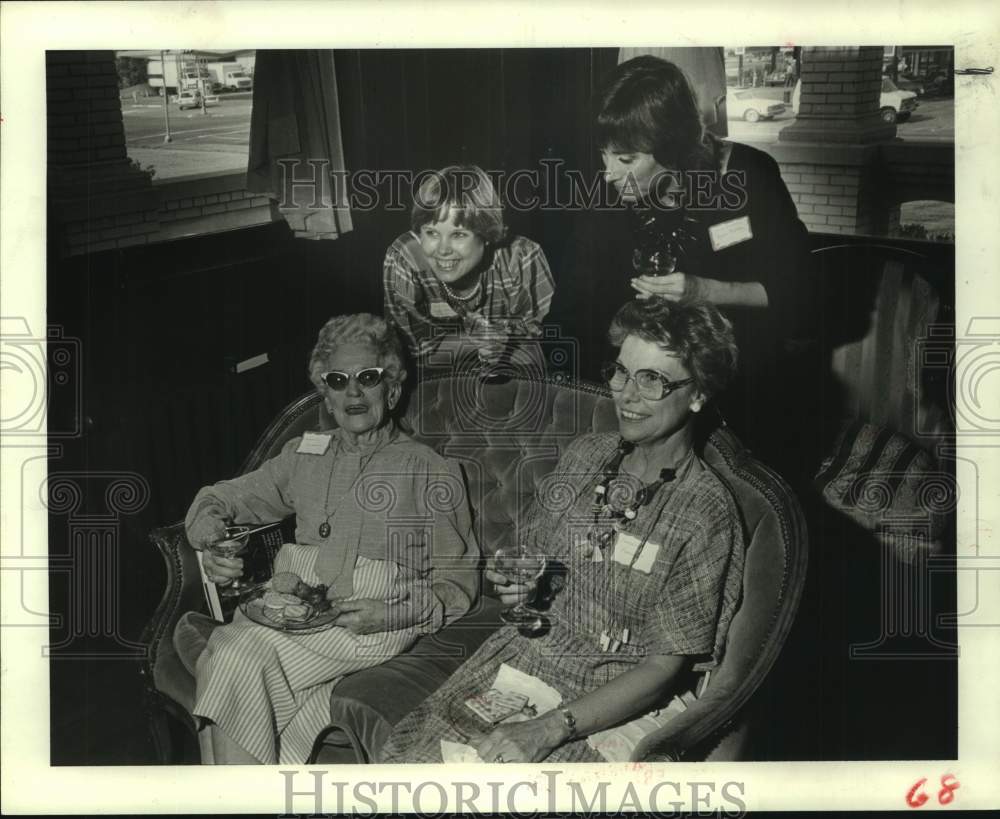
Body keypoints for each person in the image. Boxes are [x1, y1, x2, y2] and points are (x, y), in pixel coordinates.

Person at [379, 297, 745, 764]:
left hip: (610, 700)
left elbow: (664, 667)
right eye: (621, 371)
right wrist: (517, 589)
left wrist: (548, 729)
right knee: (411, 769)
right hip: (526, 657)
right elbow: (531, 561)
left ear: (698, 394)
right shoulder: (587, 456)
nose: (626, 395)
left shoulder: (703, 511)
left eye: (652, 379)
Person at [180, 313, 480, 764]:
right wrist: (209, 536)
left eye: (368, 378)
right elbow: (224, 498)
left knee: (230, 656)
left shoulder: (428, 468)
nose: (353, 392)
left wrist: (396, 613)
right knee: (230, 656)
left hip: (370, 617)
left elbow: (458, 580)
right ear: (325, 391)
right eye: (338, 380)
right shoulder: (304, 452)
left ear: (392, 388)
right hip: (290, 610)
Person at [556, 55, 817, 473]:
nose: (607, 173)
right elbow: (572, 307)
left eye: (625, 160)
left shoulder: (749, 175)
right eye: (604, 154)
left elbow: (800, 295)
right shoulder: (607, 197)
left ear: (673, 150)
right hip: (637, 376)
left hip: (736, 379)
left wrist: (703, 291)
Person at [383, 164, 555, 374]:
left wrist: (501, 340)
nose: (443, 250)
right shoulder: (404, 258)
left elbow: (535, 345)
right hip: (435, 379)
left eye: (459, 235)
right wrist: (477, 340)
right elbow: (411, 355)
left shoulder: (522, 258)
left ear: (487, 234)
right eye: (431, 233)